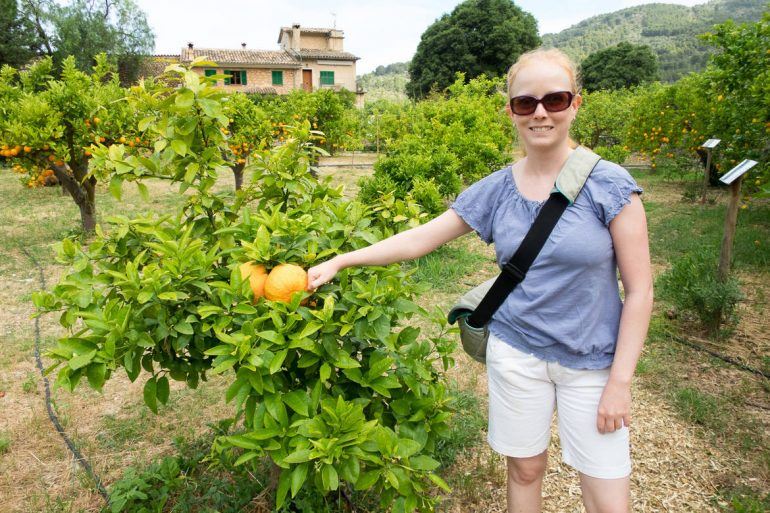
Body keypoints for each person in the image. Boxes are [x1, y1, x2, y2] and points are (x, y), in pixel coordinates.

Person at [306, 48, 653, 513]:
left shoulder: (610, 185)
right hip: (516, 353)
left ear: (576, 104)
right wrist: (343, 260)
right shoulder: (496, 189)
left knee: (605, 489)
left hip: (590, 362)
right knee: (525, 470)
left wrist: (621, 382)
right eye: (525, 103)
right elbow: (421, 238)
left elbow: (640, 290)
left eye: (555, 99)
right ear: (509, 111)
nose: (541, 113)